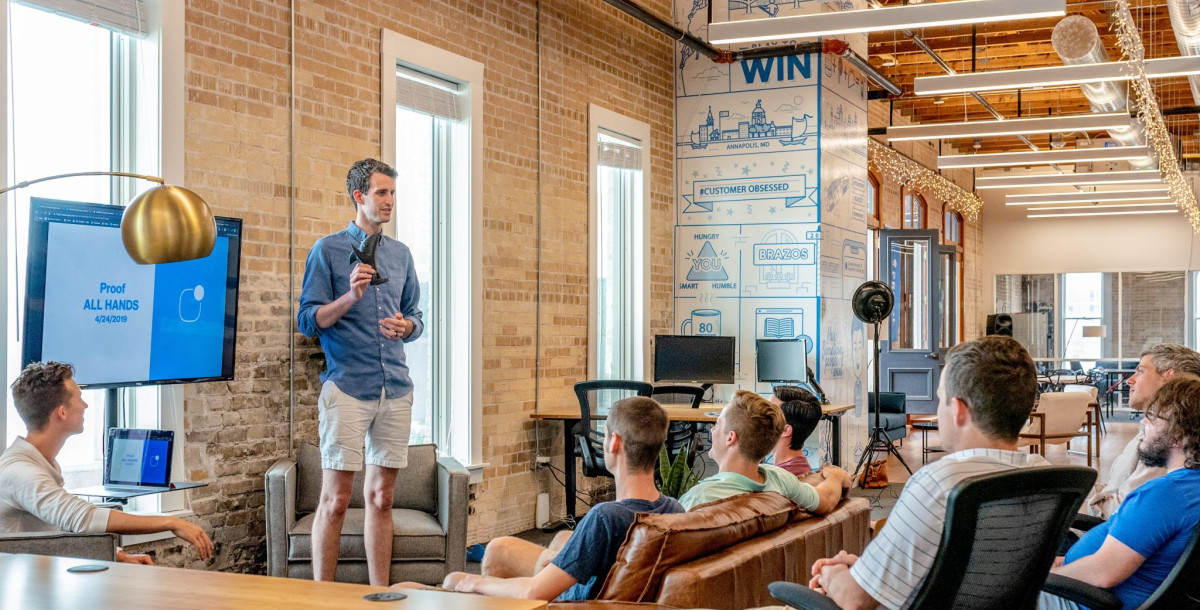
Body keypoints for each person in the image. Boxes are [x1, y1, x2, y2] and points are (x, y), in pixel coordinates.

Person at [807, 335, 1049, 610]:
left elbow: (855, 600)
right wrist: (868, 572)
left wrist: (832, 574)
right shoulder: (1044, 475)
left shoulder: (939, 484)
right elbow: (982, 568)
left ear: (958, 410)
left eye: (940, 400)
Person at [297, 158, 424, 585]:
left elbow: (416, 317)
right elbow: (308, 321)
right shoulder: (327, 251)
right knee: (335, 501)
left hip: (396, 388)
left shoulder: (401, 254)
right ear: (359, 196)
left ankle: (379, 595)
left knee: (382, 497)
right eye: (382, 193)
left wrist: (407, 326)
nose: (389, 201)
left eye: (393, 193)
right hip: (347, 389)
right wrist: (351, 296)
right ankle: (323, 596)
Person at [429, 397, 684, 601]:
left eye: (605, 435)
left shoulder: (605, 517)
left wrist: (471, 581)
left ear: (614, 443)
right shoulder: (675, 509)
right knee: (555, 541)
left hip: (569, 600)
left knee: (455, 578)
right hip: (603, 588)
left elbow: (533, 592)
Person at [0, 362, 214, 565]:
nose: (85, 405)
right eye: (80, 398)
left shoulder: (38, 461)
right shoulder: (21, 472)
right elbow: (83, 519)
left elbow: (54, 526)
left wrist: (118, 555)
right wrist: (171, 522)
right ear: (62, 412)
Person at [1040, 375, 1200, 610]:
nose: (1143, 423)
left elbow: (1102, 573)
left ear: (1177, 434)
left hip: (1081, 600)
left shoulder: (1165, 495)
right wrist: (1061, 564)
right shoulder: (1188, 489)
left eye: (1152, 417)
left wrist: (1035, 577)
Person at [679, 390, 851, 512]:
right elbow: (827, 500)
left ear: (730, 437)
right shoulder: (781, 479)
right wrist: (836, 475)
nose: (712, 430)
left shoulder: (698, 499)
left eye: (717, 424)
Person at [1087, 344, 1200, 518]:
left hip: (1103, 532)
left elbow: (1121, 512)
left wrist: (1073, 500)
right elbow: (1118, 489)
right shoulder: (1155, 429)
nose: (1129, 380)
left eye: (1140, 371)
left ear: (1169, 377)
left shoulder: (1165, 441)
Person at [766, 385, 823, 476]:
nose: (760, 418)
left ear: (785, 430)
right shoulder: (795, 469)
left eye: (768, 413)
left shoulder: (784, 479)